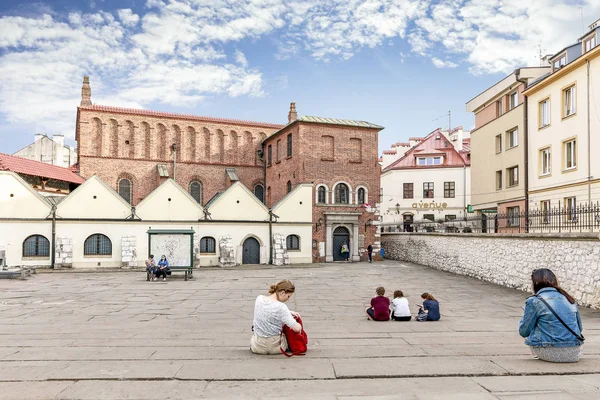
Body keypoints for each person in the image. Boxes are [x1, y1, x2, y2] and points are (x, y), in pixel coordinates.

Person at [519, 268, 583, 363]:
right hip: (574, 352)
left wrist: (525, 317)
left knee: (531, 323)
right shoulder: (569, 299)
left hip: (549, 352)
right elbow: (580, 328)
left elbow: (523, 332)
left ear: (534, 284)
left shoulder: (534, 301)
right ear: (554, 281)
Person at [251, 279, 302, 355]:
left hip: (258, 347)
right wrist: (300, 325)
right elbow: (296, 328)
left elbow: (268, 309)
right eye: (288, 296)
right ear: (282, 293)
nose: (288, 299)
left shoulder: (259, 299)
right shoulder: (281, 307)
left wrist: (288, 312)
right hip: (277, 348)